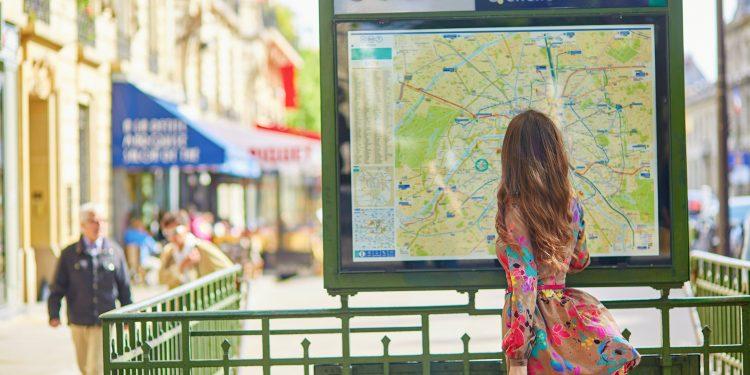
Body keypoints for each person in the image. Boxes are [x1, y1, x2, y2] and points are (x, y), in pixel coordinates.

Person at [495, 110, 640, 375]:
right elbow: (580, 260)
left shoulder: (515, 209)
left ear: (512, 158)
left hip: (537, 328)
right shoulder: (570, 203)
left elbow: (525, 281)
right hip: (567, 319)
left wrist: (517, 357)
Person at [48, 202, 132, 375]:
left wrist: (127, 316)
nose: (99, 225)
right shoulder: (69, 254)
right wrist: (53, 313)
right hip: (78, 321)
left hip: (104, 321)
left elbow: (124, 288)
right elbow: (58, 286)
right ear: (82, 225)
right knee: (84, 368)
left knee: (96, 369)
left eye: (102, 220)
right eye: (93, 221)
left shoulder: (114, 251)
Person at [159, 211, 234, 289]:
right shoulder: (168, 251)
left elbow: (229, 270)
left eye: (176, 231)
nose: (172, 237)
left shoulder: (202, 247)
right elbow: (161, 279)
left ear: (187, 227)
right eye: (167, 233)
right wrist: (182, 266)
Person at [123, 215, 161, 284]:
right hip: (144, 261)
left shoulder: (128, 234)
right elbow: (156, 249)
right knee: (160, 264)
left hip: (132, 263)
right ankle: (149, 280)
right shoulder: (144, 236)